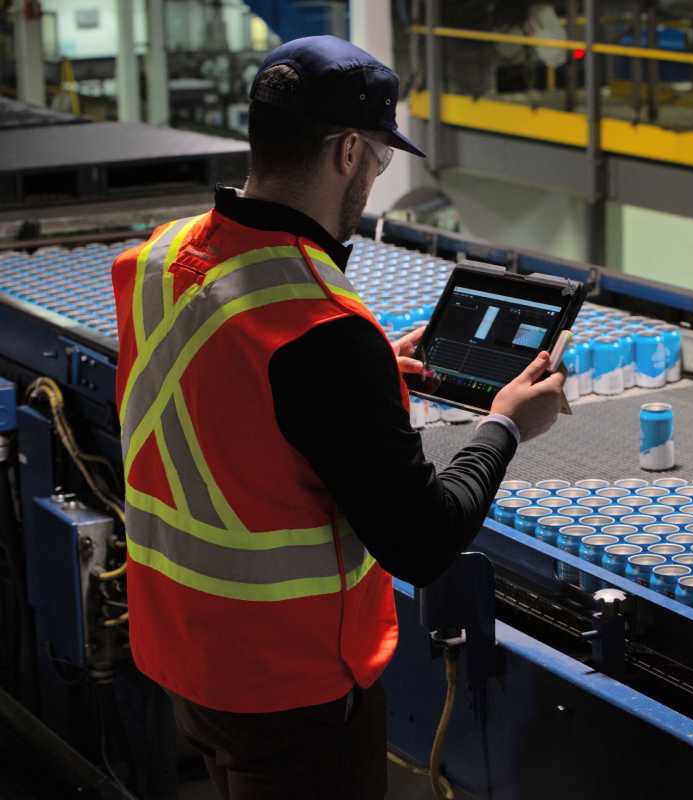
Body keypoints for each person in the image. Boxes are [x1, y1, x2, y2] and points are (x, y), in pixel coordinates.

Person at [110, 35, 565, 800]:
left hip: (183, 655)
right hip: (290, 692)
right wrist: (509, 423)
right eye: (382, 159)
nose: (375, 176)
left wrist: (368, 366)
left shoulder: (160, 256)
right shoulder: (321, 330)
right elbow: (421, 541)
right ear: (349, 152)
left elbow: (225, 380)